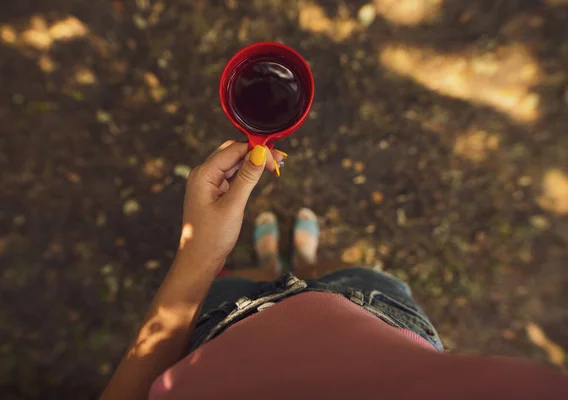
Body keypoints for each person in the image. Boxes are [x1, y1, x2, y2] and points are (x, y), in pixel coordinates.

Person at [101, 142, 568, 400]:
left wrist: (201, 254)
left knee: (244, 276)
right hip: (379, 320)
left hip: (221, 328)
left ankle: (271, 264)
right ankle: (300, 260)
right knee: (337, 271)